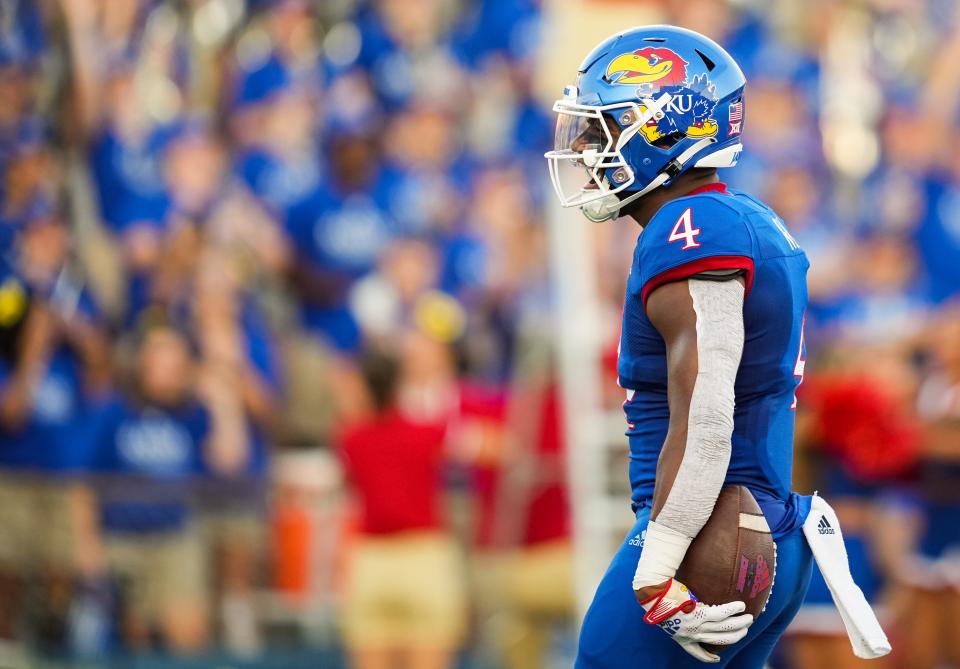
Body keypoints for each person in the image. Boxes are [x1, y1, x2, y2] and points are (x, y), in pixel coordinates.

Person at [544, 26, 815, 667]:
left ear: (665, 125)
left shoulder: (692, 226)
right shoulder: (744, 217)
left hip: (708, 531)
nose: (586, 147)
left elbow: (706, 403)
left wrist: (661, 558)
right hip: (757, 522)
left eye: (603, 125)